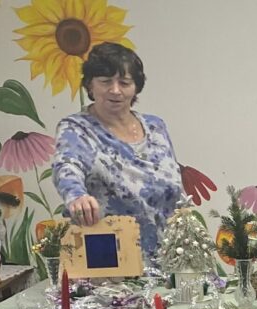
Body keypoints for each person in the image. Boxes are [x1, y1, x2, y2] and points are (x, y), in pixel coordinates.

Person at [52, 42, 184, 261]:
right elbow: (66, 167)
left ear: (136, 88)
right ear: (90, 85)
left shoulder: (156, 126)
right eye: (105, 81)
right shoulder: (76, 128)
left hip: (169, 257)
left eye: (124, 82)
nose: (115, 90)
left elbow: (176, 187)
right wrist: (77, 196)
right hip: (109, 260)